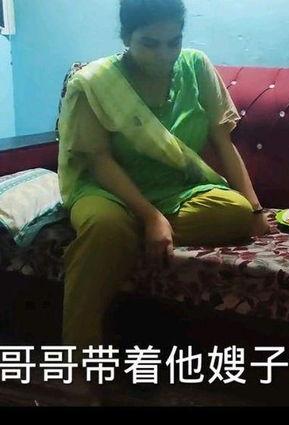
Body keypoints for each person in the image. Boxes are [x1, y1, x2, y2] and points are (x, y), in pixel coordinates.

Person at [57, 0, 270, 351]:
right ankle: (79, 360)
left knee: (234, 213)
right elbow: (99, 161)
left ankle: (126, 238)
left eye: (174, 42)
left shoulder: (196, 67)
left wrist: (255, 209)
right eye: (150, 43)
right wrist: (150, 217)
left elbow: (223, 142)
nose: (164, 55)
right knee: (104, 228)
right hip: (108, 190)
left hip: (176, 190)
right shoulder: (95, 82)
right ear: (126, 37)